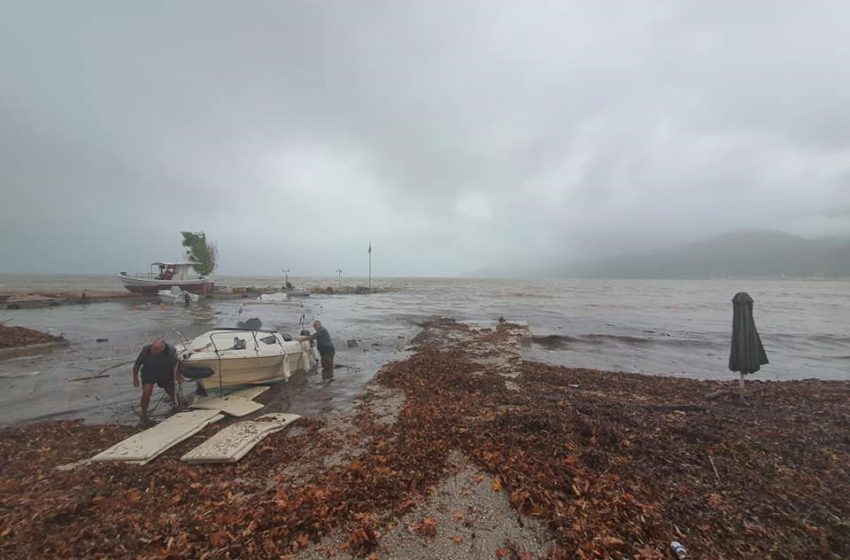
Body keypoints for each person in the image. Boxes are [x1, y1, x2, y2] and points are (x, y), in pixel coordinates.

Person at [132, 338, 183, 423]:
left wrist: (178, 376)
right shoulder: (146, 350)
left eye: (156, 349)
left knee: (170, 391)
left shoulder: (171, 351)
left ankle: (177, 405)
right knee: (146, 393)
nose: (153, 350)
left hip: (165, 373)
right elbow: (137, 365)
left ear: (162, 348)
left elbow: (176, 365)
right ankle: (144, 415)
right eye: (152, 347)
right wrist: (135, 379)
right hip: (149, 373)